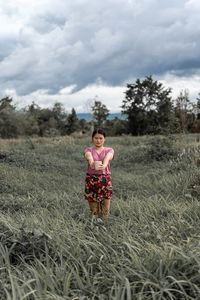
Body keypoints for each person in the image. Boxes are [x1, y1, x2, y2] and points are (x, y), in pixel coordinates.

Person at [84, 128, 114, 218]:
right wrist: (92, 163)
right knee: (94, 212)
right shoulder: (88, 150)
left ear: (104, 139)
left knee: (105, 212)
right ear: (92, 139)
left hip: (105, 180)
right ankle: (94, 228)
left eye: (101, 138)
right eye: (96, 138)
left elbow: (109, 157)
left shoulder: (109, 150)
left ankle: (105, 226)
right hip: (91, 180)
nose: (98, 140)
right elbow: (88, 156)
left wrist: (104, 164)